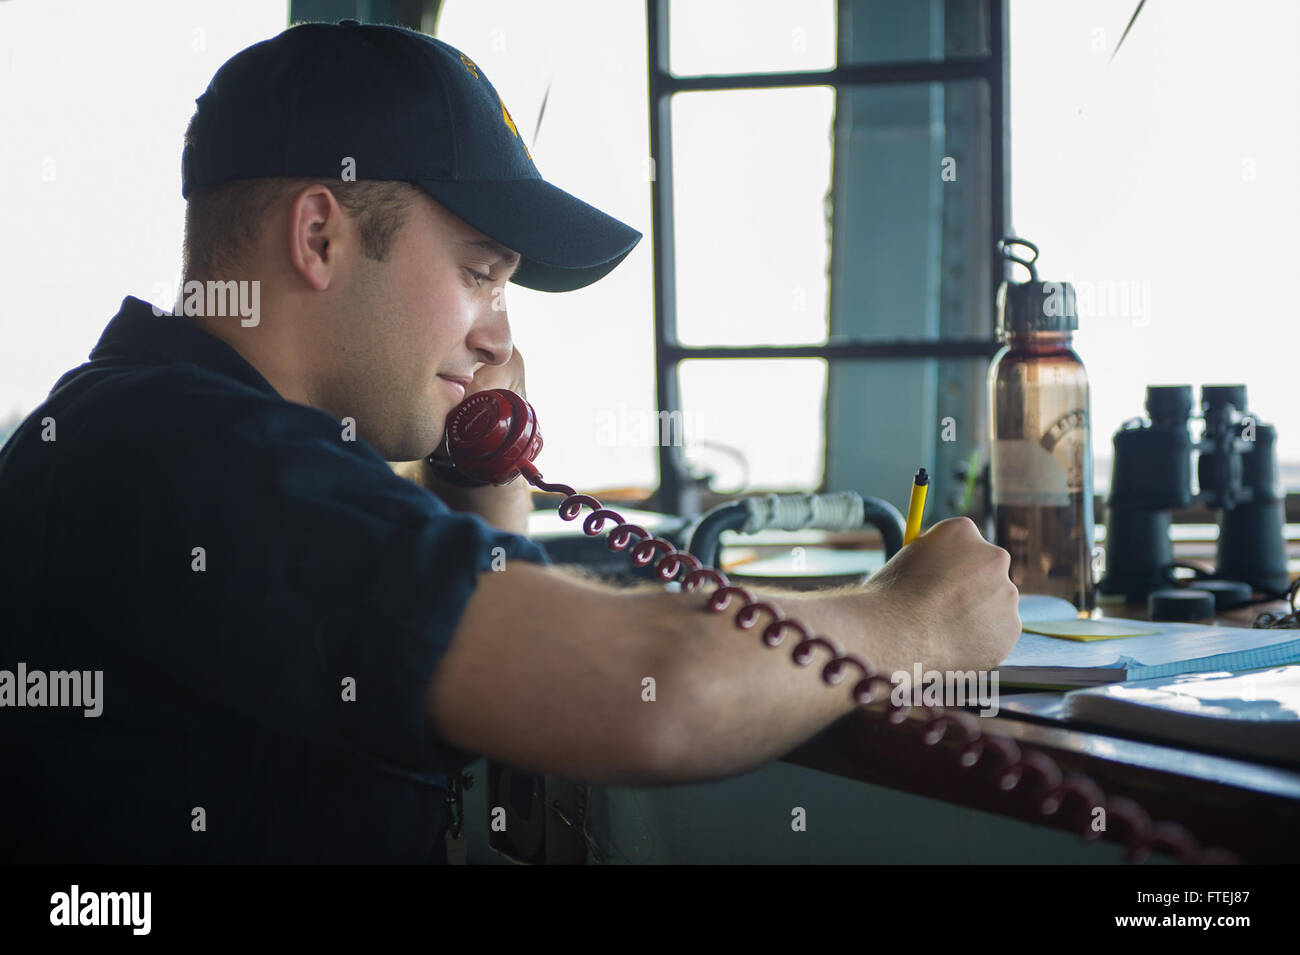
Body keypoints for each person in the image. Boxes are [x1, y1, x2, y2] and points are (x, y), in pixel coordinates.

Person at [0, 21, 1020, 864]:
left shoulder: (155, 423)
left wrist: (477, 471)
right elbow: (653, 692)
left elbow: (406, 630)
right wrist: (914, 621)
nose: (500, 334)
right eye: (483, 272)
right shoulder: (198, 457)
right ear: (319, 236)